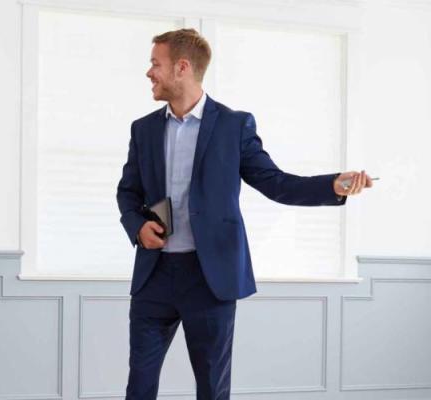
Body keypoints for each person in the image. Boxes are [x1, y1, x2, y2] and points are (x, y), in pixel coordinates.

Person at [115, 28, 372, 400]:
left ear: (182, 67)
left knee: (212, 388)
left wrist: (333, 185)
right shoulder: (144, 130)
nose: (149, 72)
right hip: (153, 278)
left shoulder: (233, 126)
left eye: (156, 63)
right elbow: (128, 192)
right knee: (139, 386)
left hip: (209, 278)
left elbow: (277, 183)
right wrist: (138, 227)